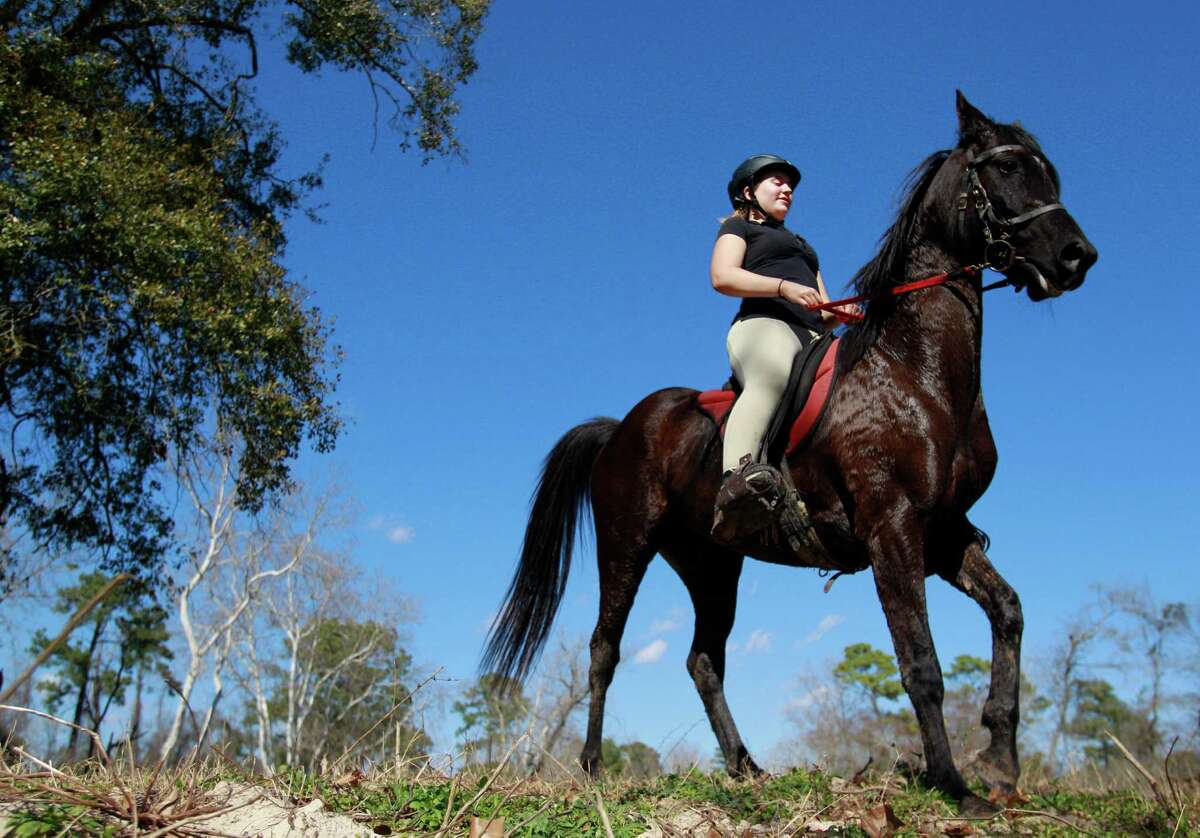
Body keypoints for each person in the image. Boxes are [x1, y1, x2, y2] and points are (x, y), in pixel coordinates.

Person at [709, 154, 858, 538]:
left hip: (813, 337)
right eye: (776, 182)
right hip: (764, 327)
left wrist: (841, 312)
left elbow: (822, 308)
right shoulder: (739, 229)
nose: (787, 189)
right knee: (773, 372)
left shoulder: (804, 247)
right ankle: (737, 482)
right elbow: (722, 277)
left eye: (789, 184)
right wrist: (782, 288)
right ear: (748, 192)